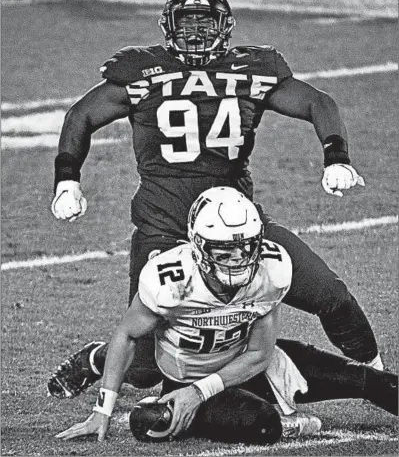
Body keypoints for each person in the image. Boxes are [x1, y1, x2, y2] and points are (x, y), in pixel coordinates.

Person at [48, 0, 383, 400]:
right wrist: (67, 179)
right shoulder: (141, 72)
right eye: (186, 23)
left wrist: (336, 155)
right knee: (147, 367)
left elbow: (318, 102)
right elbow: (81, 115)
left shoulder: (252, 70)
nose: (195, 33)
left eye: (205, 24)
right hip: (164, 227)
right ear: (168, 27)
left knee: (329, 294)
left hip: (239, 228)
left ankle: (379, 375)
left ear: (225, 27)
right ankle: (100, 358)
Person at [54, 188, 398, 444]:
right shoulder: (170, 280)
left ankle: (270, 404)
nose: (237, 258)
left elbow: (261, 353)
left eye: (245, 246)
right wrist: (103, 408)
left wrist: (199, 393)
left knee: (373, 382)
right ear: (199, 247)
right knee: (263, 426)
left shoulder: (272, 270)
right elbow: (127, 335)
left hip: (251, 368)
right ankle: (285, 420)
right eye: (224, 249)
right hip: (189, 378)